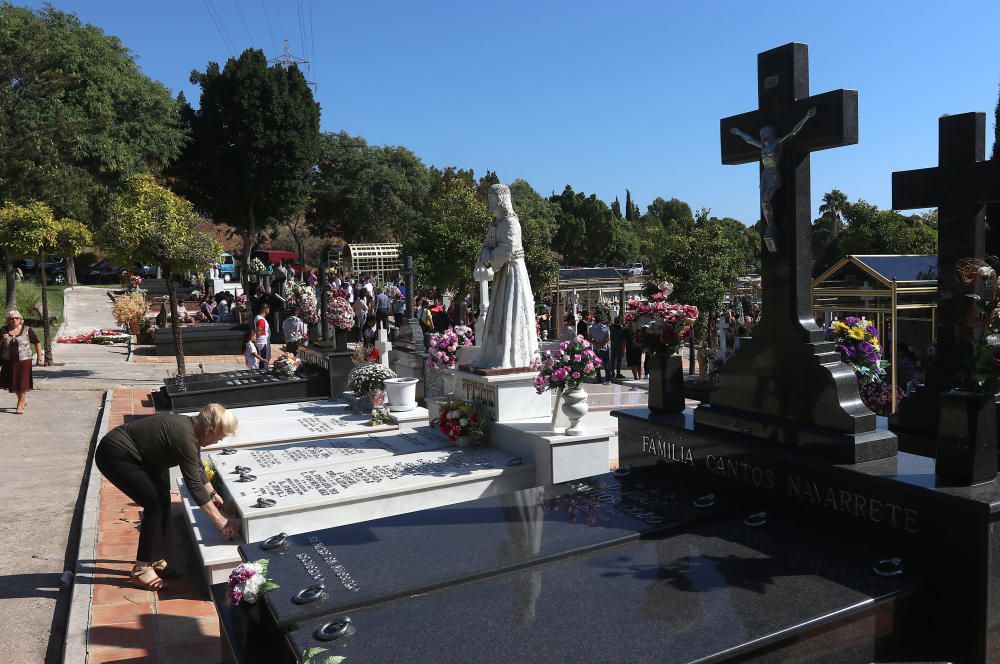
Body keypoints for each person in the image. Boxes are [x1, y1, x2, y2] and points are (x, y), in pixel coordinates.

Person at [95, 404, 239, 591]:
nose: (217, 442)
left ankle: (155, 557)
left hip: (143, 457)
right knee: (154, 504)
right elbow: (194, 485)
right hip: (116, 454)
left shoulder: (191, 430)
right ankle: (141, 569)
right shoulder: (185, 436)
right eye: (219, 438)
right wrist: (220, 521)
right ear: (209, 430)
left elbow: (196, 467)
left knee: (163, 500)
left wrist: (212, 493)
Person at [1, 310, 43, 414]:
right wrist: (2, 339)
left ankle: (20, 403)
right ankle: (23, 399)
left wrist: (40, 357)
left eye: (16, 318)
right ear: (8, 320)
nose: (14, 320)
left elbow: (37, 343)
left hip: (24, 361)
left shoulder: (27, 330)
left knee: (22, 383)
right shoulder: (3, 330)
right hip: (8, 361)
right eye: (12, 318)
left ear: (20, 319)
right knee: (12, 384)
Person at [589, 317, 611, 384]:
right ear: (601, 320)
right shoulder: (606, 327)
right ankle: (608, 380)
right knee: (606, 364)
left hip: (596, 348)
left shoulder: (591, 328)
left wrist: (596, 345)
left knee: (596, 364)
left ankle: (598, 379)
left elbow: (589, 339)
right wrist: (601, 345)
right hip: (604, 348)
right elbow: (608, 338)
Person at [254, 303, 271, 368]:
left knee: (264, 358)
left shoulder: (258, 317)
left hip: (262, 341)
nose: (269, 310)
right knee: (264, 358)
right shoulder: (260, 319)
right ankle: (263, 373)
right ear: (265, 309)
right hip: (262, 341)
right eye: (268, 309)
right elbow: (259, 331)